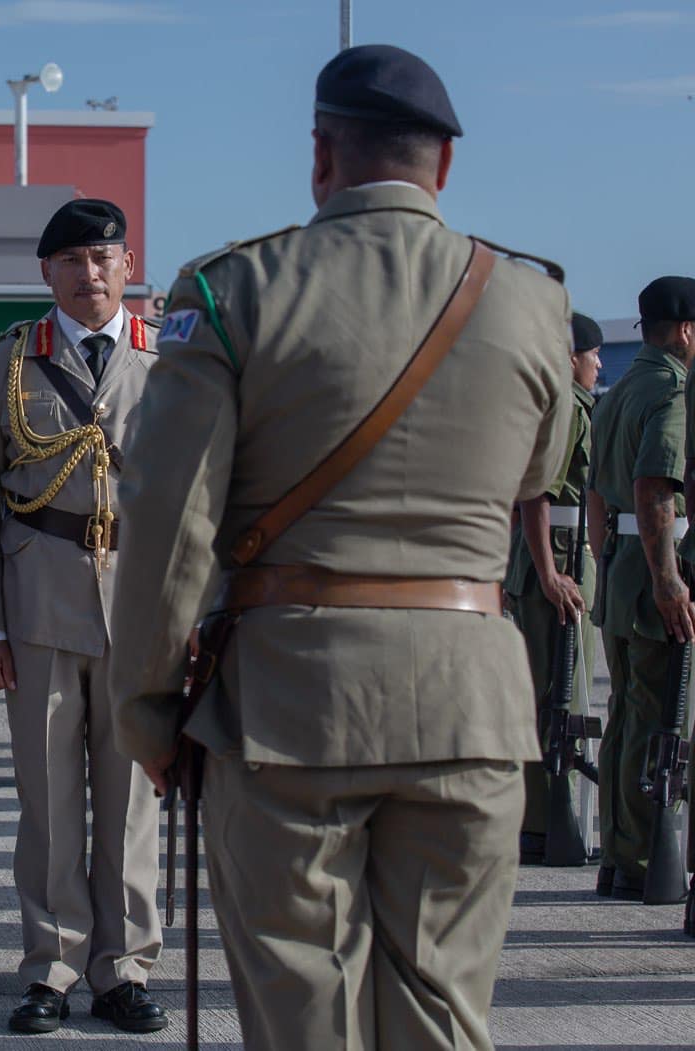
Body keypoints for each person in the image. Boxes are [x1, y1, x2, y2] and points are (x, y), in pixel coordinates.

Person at [107, 45, 572, 1051]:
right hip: (473, 707)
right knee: (444, 1018)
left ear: (320, 154)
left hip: (291, 709)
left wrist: (147, 708)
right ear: (443, 168)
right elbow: (538, 471)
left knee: (305, 1021)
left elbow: (168, 522)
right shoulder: (530, 301)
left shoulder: (234, 290)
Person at [0, 198, 167, 1035]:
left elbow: (196, 506)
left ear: (127, 267)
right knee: (47, 802)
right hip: (39, 603)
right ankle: (50, 965)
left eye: (104, 258)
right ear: (45, 272)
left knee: (132, 804)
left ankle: (122, 969)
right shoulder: (5, 365)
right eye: (73, 260)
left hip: (141, 611)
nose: (90, 274)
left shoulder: (170, 362)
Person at [590, 276, 695, 907]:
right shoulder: (673, 392)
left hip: (622, 565)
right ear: (686, 331)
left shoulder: (619, 390)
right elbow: (656, 487)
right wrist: (669, 579)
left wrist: (617, 563)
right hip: (659, 564)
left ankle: (622, 854)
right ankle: (643, 855)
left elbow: (601, 493)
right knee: (663, 719)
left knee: (627, 714)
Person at [505, 312, 603, 865]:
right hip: (557, 558)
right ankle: (542, 824)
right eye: (592, 358)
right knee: (555, 695)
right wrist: (545, 572)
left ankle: (541, 823)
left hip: (551, 555)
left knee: (551, 694)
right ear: (573, 358)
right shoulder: (566, 406)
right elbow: (536, 493)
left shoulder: (551, 402)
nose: (595, 367)